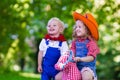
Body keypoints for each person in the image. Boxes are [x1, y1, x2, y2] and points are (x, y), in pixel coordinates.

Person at [70, 12, 100, 80]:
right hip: (76, 67)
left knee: (86, 75)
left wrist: (80, 59)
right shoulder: (75, 42)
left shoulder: (91, 43)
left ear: (87, 30)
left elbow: (92, 57)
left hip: (87, 68)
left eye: (80, 27)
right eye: (76, 27)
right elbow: (72, 53)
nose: (77, 29)